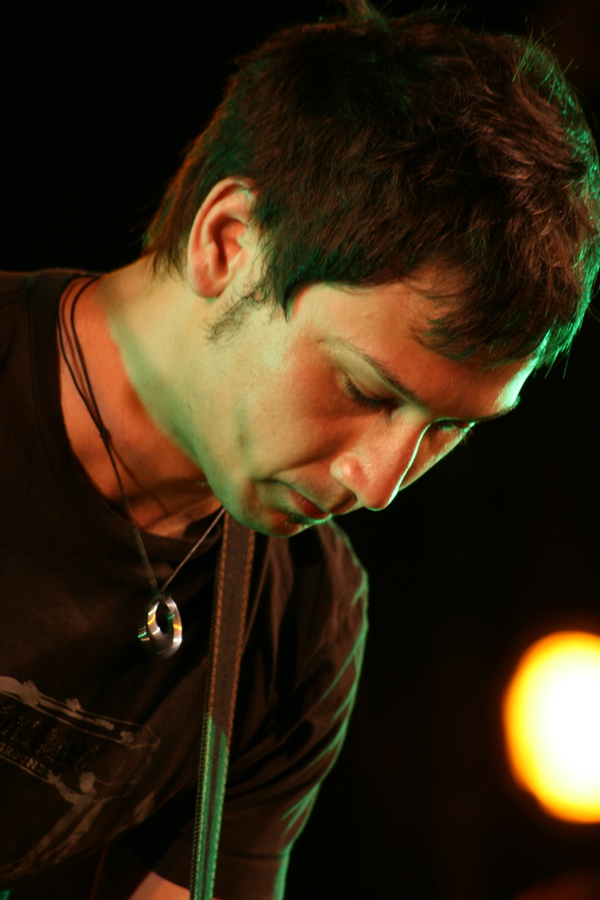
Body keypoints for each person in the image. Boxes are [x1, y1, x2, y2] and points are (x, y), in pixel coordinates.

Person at [1, 1, 599, 898]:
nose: (381, 483)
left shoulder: (306, 622)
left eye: (449, 428)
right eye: (365, 389)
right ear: (228, 243)